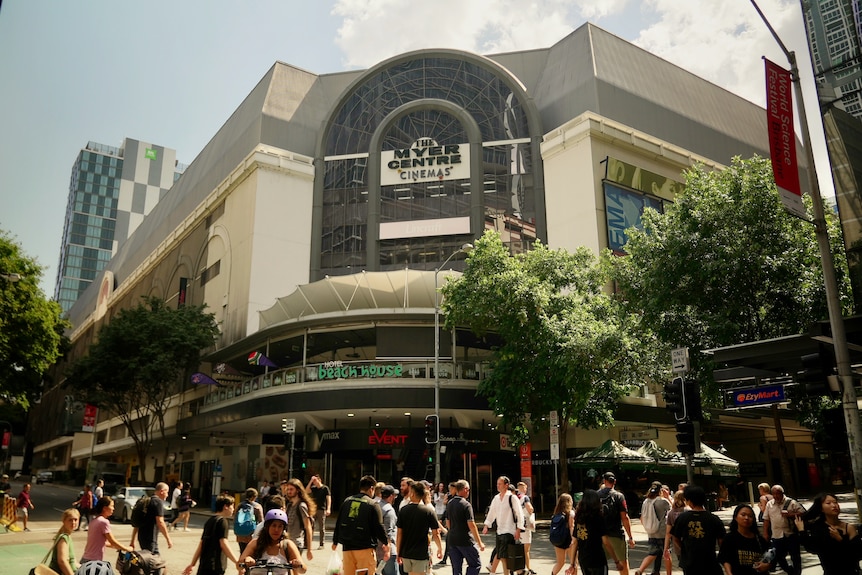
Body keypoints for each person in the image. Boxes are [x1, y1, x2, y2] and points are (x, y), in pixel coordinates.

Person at [332, 474, 391, 575]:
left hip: (347, 548)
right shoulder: (372, 505)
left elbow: (339, 522)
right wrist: (386, 543)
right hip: (365, 549)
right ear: (371, 488)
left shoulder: (347, 501)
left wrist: (335, 541)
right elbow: (379, 527)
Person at [795, 492, 861, 574]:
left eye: (835, 502)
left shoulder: (849, 528)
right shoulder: (818, 527)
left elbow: (858, 553)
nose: (834, 505)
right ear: (821, 508)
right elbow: (813, 548)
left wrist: (840, 539)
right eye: (828, 503)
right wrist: (802, 531)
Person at [670, 485, 725, 575]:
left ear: (689, 501)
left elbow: (675, 538)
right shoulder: (714, 519)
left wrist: (685, 550)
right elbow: (721, 541)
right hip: (710, 562)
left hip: (689, 562)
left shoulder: (682, 518)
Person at [238, 509, 307, 575]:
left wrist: (298, 565)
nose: (276, 529)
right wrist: (247, 560)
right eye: (274, 525)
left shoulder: (287, 545)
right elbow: (239, 565)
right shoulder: (255, 543)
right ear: (267, 527)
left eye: (280, 526)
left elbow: (303, 570)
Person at [183, 494, 239, 575]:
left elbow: (201, 544)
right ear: (225, 507)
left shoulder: (210, 521)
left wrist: (192, 564)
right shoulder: (223, 521)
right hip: (216, 566)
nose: (233, 509)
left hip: (204, 565)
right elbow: (223, 543)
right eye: (232, 506)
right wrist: (236, 561)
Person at [569, 489, 621, 575]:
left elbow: (574, 542)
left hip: (584, 560)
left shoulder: (579, 518)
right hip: (597, 559)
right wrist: (616, 561)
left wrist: (572, 563)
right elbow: (606, 542)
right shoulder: (598, 518)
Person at [397, 481, 443, 575]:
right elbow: (436, 533)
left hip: (406, 553)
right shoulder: (428, 511)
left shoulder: (403, 510)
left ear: (412, 493)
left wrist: (399, 552)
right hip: (421, 553)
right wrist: (440, 548)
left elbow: (399, 534)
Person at [482, 476, 524, 575]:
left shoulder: (512, 498)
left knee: (503, 555)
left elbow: (519, 514)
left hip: (509, 530)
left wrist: (518, 529)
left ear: (506, 485)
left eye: (500, 484)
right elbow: (492, 512)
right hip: (499, 530)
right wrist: (486, 525)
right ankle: (517, 572)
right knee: (502, 555)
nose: (498, 486)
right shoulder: (496, 498)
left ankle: (499, 572)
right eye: (497, 484)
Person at [597, 471, 635, 574]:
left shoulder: (596, 495)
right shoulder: (619, 496)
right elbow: (624, 517)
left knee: (600, 563)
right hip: (616, 534)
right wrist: (630, 537)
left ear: (604, 481)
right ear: (615, 482)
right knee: (623, 563)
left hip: (600, 535)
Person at [717, 503, 772, 575]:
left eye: (750, 516)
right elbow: (725, 559)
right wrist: (729, 573)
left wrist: (767, 566)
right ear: (736, 517)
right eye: (743, 515)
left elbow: (769, 558)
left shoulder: (759, 540)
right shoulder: (730, 538)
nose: (746, 518)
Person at [761, 484, 803, 575]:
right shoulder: (769, 504)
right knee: (778, 557)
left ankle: (797, 573)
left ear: (782, 493)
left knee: (795, 557)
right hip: (776, 535)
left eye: (778, 494)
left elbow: (803, 513)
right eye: (774, 494)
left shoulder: (791, 502)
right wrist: (765, 533)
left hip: (791, 534)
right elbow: (766, 520)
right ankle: (790, 570)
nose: (776, 496)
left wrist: (790, 514)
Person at [446, 480, 485, 575]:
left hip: (452, 539)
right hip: (465, 539)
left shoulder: (450, 503)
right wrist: (479, 542)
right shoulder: (466, 505)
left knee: (456, 568)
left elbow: (448, 522)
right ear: (465, 489)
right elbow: (471, 525)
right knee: (475, 564)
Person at [80, 496, 134, 564]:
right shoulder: (104, 522)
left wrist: (118, 547)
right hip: (94, 562)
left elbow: (100, 542)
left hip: (85, 559)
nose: (113, 509)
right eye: (112, 506)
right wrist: (127, 548)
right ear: (105, 508)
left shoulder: (94, 521)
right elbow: (112, 541)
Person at [634, 481, 671, 575]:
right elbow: (673, 510)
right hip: (662, 532)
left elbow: (642, 517)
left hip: (650, 532)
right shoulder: (663, 501)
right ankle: (669, 573)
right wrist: (668, 497)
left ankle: (642, 570)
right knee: (666, 553)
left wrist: (647, 527)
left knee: (653, 553)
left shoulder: (646, 501)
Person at [131, 481, 173, 555]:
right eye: (167, 492)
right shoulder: (158, 502)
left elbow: (138, 523)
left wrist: (133, 540)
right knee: (153, 562)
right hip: (150, 539)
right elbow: (160, 522)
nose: (167, 495)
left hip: (142, 537)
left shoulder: (147, 501)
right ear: (162, 491)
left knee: (151, 560)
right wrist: (168, 539)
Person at [284, 477, 316, 560]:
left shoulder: (301, 506)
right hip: (287, 543)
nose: (289, 491)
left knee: (294, 570)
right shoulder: (289, 505)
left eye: (291, 489)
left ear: (297, 490)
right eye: (288, 489)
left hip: (297, 544)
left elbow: (308, 527)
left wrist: (309, 549)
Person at [661, 489, 687, 575]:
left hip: (678, 546)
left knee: (685, 567)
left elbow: (668, 533)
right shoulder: (688, 510)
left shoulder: (671, 513)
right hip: (691, 543)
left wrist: (666, 548)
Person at [50, 507, 81, 575]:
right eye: (70, 520)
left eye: (75, 520)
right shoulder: (63, 538)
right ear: (64, 521)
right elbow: (62, 561)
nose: (73, 522)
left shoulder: (68, 536)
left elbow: (73, 562)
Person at [550, 492, 575, 575]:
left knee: (560, 562)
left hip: (558, 540)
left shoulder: (556, 514)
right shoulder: (570, 513)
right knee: (573, 563)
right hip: (568, 541)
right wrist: (573, 540)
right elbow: (571, 527)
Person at [235, 487, 265, 553]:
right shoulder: (257, 507)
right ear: (254, 497)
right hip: (251, 535)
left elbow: (235, 518)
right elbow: (261, 521)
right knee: (251, 554)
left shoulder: (239, 505)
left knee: (242, 552)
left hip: (240, 535)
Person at [306, 474, 331, 549]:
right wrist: (310, 481)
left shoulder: (325, 488)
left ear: (319, 480)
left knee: (321, 527)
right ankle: (308, 543)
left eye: (315, 480)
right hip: (314, 509)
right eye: (313, 481)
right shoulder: (314, 488)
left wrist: (328, 508)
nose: (314, 482)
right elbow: (307, 490)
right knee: (311, 526)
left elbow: (328, 499)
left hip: (321, 509)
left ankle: (321, 544)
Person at [378, 485, 399, 575]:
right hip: (387, 549)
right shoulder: (389, 510)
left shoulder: (376, 506)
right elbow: (388, 532)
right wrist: (388, 549)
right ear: (391, 496)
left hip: (376, 548)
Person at [516, 481, 536, 575]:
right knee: (526, 549)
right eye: (525, 488)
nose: (526, 490)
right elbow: (530, 508)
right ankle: (528, 567)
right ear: (522, 488)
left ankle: (517, 567)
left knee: (517, 548)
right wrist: (531, 511)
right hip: (526, 525)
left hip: (517, 525)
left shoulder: (514, 498)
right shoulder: (525, 498)